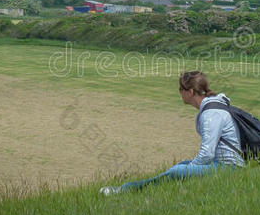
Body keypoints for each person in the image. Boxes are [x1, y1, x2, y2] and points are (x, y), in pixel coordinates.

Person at [99, 71, 244, 195]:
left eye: (181, 89)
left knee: (178, 171)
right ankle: (161, 187)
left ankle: (127, 189)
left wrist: (188, 170)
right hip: (223, 164)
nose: (179, 92)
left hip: (228, 168)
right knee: (181, 166)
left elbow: (207, 153)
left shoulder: (211, 114)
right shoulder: (212, 108)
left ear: (191, 92)